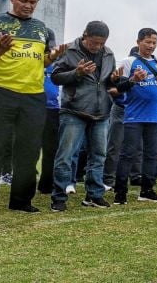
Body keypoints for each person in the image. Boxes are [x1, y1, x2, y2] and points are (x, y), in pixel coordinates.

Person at [0, 0, 66, 217]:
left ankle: (21, 200)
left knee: (28, 149)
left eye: (32, 2)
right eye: (23, 0)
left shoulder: (42, 28)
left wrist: (54, 56)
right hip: (1, 91)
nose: (28, 5)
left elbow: (44, 61)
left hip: (33, 95)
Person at [50, 21, 117, 211]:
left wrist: (115, 80)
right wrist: (76, 73)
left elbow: (108, 81)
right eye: (94, 42)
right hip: (74, 110)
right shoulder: (69, 50)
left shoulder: (109, 53)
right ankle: (59, 196)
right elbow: (56, 77)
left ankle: (94, 195)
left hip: (101, 111)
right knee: (65, 155)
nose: (97, 47)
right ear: (85, 35)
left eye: (101, 43)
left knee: (98, 156)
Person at [113, 28, 157, 205]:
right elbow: (118, 88)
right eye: (148, 42)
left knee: (152, 154)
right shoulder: (129, 62)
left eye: (154, 42)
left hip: (155, 116)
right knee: (128, 154)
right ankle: (120, 193)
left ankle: (147, 190)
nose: (151, 46)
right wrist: (133, 80)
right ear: (138, 42)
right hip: (134, 116)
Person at [38, 59, 61, 194]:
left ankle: (46, 183)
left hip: (54, 109)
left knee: (51, 149)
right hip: (34, 106)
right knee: (29, 148)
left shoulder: (59, 66)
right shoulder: (38, 62)